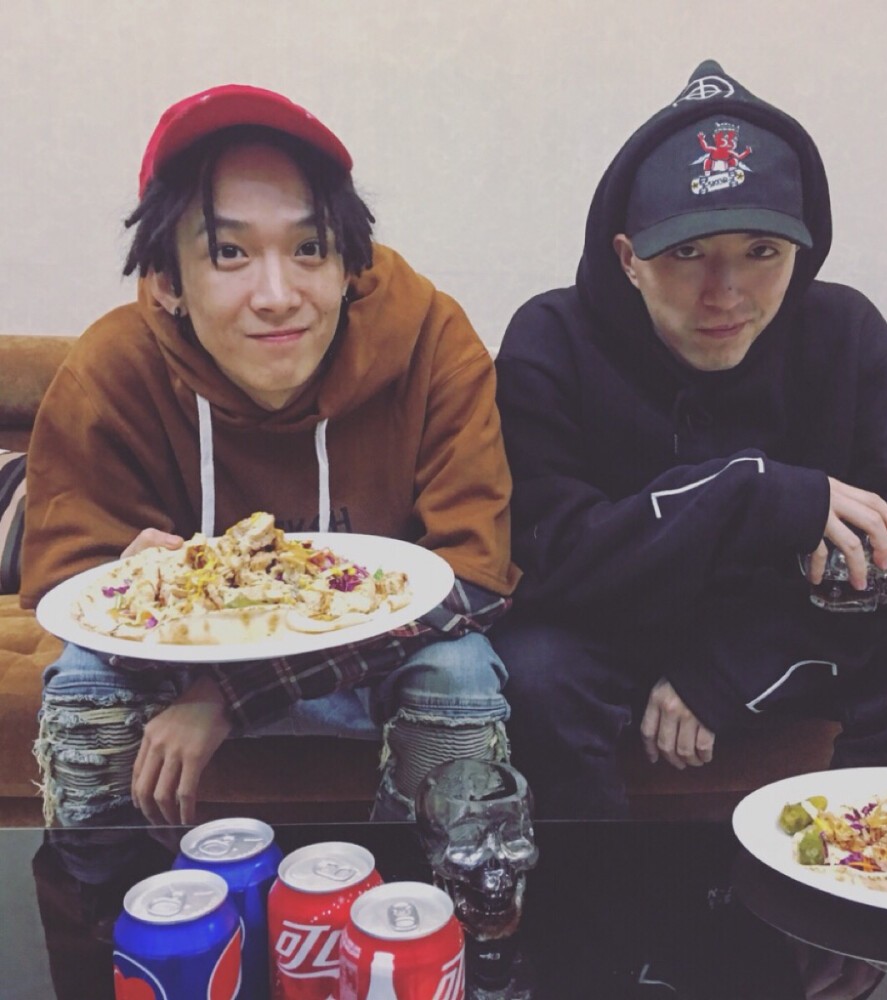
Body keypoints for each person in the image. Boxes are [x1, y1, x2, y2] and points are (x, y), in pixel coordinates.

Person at [490, 60, 887, 818]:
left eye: (762, 251)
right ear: (628, 259)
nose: (724, 293)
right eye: (686, 253)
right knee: (533, 669)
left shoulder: (843, 332)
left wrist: (731, 668)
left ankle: (862, 878)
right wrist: (749, 494)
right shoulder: (552, 337)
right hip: (619, 639)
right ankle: (599, 893)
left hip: (790, 643)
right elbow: (550, 562)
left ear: (801, 253)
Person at [22, 84, 518, 829]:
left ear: (347, 264)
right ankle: (100, 886)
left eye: (309, 248)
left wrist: (231, 696)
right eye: (230, 253)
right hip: (179, 667)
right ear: (167, 282)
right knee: (85, 681)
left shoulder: (432, 341)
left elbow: (474, 579)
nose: (278, 295)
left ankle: (433, 882)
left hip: (370, 668)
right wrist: (128, 589)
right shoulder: (110, 372)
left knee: (461, 669)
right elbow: (67, 586)